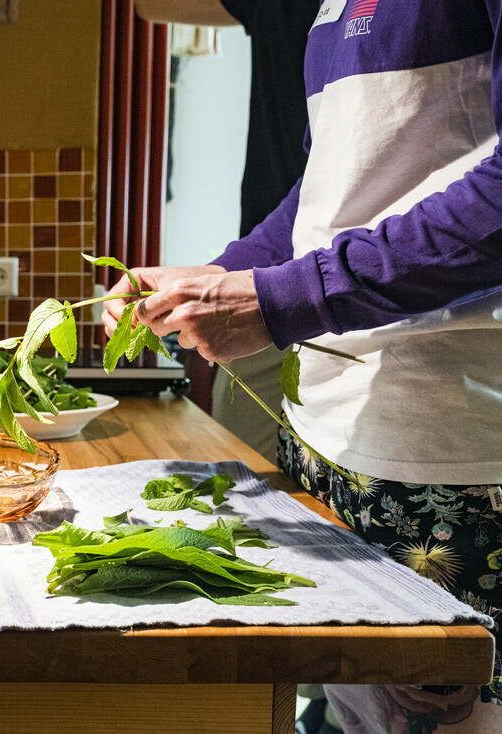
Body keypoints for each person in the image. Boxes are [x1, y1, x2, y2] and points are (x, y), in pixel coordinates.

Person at [106, 1, 502, 732]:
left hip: (454, 453)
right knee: (353, 705)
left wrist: (279, 300)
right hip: (333, 438)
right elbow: (329, 188)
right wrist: (224, 272)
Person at [135, 0, 320, 466]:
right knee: (243, 485)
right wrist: (221, 270)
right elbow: (149, 4)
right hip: (266, 270)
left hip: (385, 300)